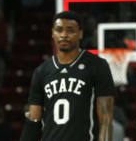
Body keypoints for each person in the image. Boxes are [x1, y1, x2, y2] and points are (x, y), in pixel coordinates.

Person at [20, 11, 115, 141]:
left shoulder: (97, 65)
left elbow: (106, 119)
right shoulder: (41, 71)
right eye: (59, 30)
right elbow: (33, 120)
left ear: (80, 34)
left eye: (70, 30)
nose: (64, 35)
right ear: (53, 33)